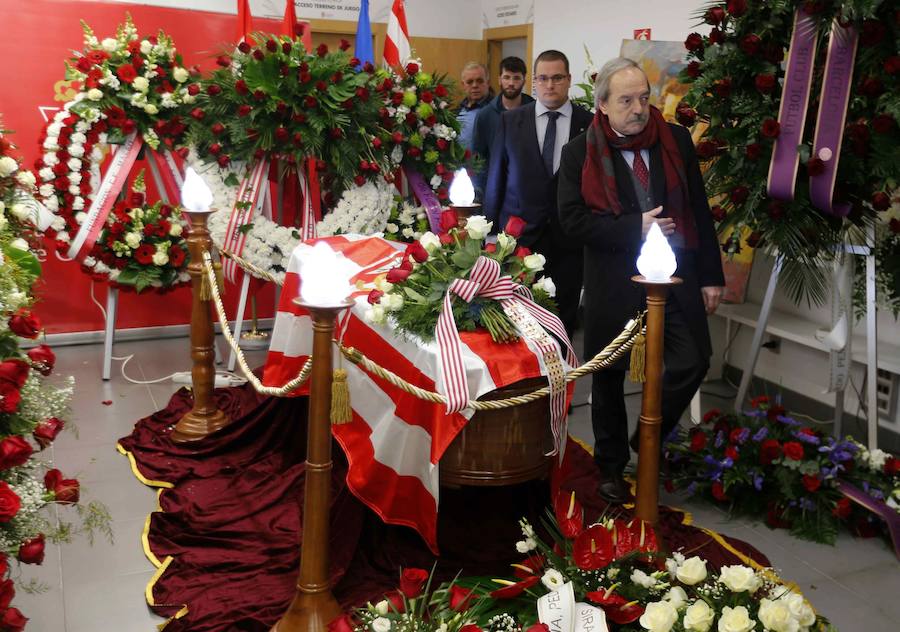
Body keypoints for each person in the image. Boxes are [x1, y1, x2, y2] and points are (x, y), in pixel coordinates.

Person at [557, 57, 724, 504]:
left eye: (644, 99)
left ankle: (646, 439)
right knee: (608, 376)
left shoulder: (676, 141)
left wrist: (711, 275)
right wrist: (636, 226)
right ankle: (610, 466)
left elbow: (699, 212)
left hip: (675, 277)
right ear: (604, 105)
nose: (638, 109)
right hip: (613, 281)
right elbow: (571, 223)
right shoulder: (580, 151)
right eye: (626, 100)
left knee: (694, 359)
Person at [484, 50, 592, 337]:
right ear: (534, 82)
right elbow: (496, 177)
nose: (550, 85)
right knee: (518, 319)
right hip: (521, 238)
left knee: (563, 319)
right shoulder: (511, 121)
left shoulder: (589, 124)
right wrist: (490, 232)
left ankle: (562, 378)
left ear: (568, 80)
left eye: (557, 78)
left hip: (568, 240)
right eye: (543, 78)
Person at [471, 56, 534, 194]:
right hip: (494, 189)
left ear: (524, 79)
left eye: (516, 78)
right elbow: (477, 159)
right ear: (499, 79)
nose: (511, 83)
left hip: (529, 189)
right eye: (506, 77)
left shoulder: (535, 111)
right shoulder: (485, 115)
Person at [456, 62, 492, 152]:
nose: (475, 85)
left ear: (488, 83)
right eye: (469, 82)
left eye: (480, 81)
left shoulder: (497, 110)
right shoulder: (456, 111)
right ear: (463, 85)